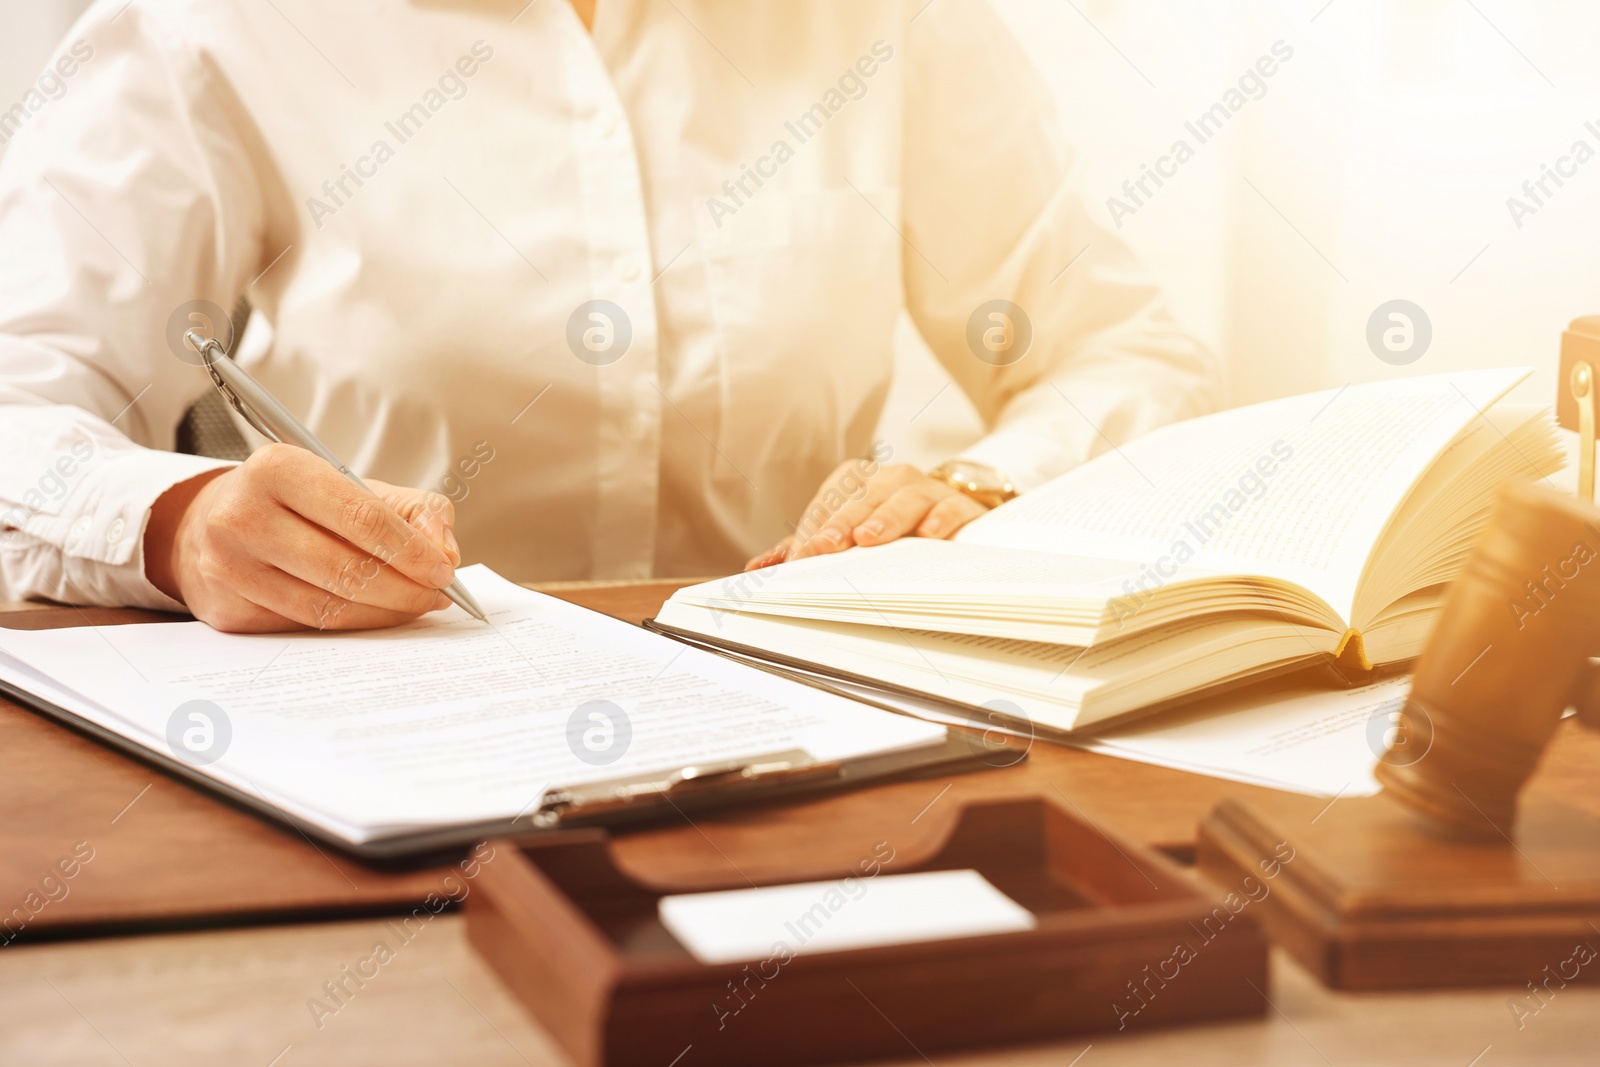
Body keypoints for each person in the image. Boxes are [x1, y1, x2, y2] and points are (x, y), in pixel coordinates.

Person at [0, 0, 1218, 632]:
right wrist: (177, 523)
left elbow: (1121, 347)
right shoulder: (215, 28)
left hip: (807, 719)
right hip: (372, 736)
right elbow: (19, 402)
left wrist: (985, 481)